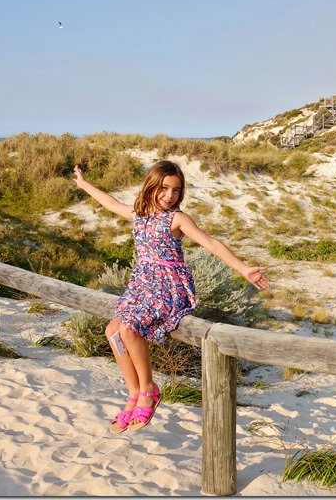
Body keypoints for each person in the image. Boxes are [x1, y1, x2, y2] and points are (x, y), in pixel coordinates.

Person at [72, 160, 269, 433]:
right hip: (141, 283)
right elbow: (111, 203)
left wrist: (244, 269)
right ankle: (133, 393)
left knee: (129, 330)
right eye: (164, 188)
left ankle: (149, 389)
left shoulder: (177, 219)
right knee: (113, 331)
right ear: (151, 186)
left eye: (176, 190)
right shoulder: (139, 213)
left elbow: (210, 243)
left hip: (168, 285)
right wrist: (84, 185)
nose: (169, 195)